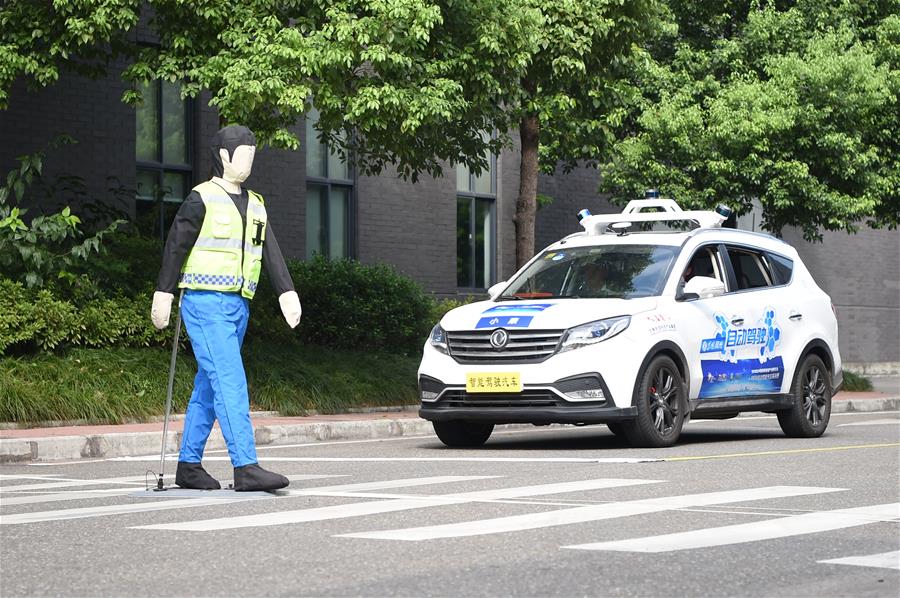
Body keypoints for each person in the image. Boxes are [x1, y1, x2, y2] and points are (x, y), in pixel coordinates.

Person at [150, 125, 302, 492]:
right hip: (204, 303)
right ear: (223, 156)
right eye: (244, 152)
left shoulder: (256, 204)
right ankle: (245, 466)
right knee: (230, 379)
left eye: (253, 153)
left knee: (208, 384)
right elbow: (176, 246)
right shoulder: (201, 197)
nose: (249, 159)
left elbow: (271, 251)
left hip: (238, 305)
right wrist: (163, 293)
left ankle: (188, 465)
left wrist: (287, 291)